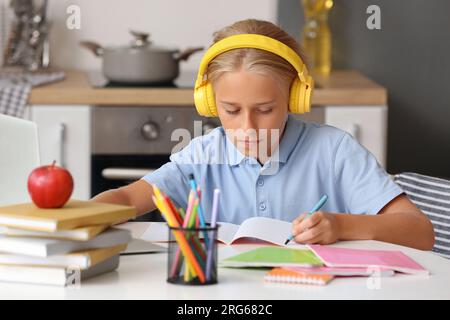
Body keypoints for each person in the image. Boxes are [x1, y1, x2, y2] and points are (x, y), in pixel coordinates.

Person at [92, 19, 434, 250]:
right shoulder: (200, 156)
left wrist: (342, 226)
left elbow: (420, 231)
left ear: (296, 97)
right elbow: (126, 199)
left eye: (265, 109)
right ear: (210, 102)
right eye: (231, 110)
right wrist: (77, 218)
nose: (248, 128)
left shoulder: (334, 151)